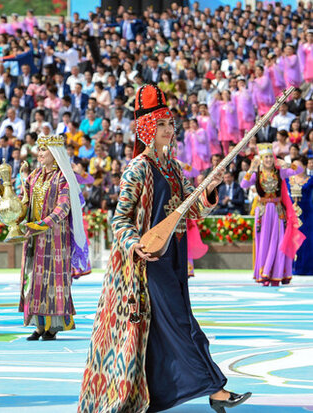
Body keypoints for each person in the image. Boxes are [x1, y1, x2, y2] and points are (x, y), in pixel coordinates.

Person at [79, 84, 251, 412]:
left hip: (173, 258)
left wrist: (209, 188)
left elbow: (193, 207)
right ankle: (216, 390)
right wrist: (134, 245)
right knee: (182, 325)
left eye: (171, 124)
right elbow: (120, 219)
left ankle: (152, 396)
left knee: (168, 327)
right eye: (162, 125)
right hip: (148, 262)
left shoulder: (173, 169)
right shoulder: (138, 168)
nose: (169, 130)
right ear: (147, 130)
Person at [0, 134, 90, 341]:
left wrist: (42, 224)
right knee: (33, 279)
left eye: (44, 150)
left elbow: (63, 208)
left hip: (55, 237)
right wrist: (2, 193)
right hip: (33, 235)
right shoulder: (33, 176)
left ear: (55, 154)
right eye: (39, 149)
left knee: (53, 280)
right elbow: (23, 203)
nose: (40, 154)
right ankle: (38, 324)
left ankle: (53, 326)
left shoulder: (63, 177)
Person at [241, 144, 305, 286]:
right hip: (263, 211)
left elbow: (299, 169)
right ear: (262, 159)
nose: (269, 160)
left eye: (271, 156)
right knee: (263, 241)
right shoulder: (256, 173)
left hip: (277, 211)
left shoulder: (279, 172)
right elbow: (243, 184)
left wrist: (287, 164)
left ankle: (276, 273)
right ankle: (264, 273)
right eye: (266, 157)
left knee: (277, 240)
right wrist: (251, 168)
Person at [287, 157, 313, 275]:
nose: (295, 168)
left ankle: (307, 268)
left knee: (307, 240)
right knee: (291, 240)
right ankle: (291, 267)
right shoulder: (288, 180)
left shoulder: (310, 180)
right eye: (293, 165)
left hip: (307, 214)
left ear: (304, 166)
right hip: (292, 214)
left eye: (298, 165)